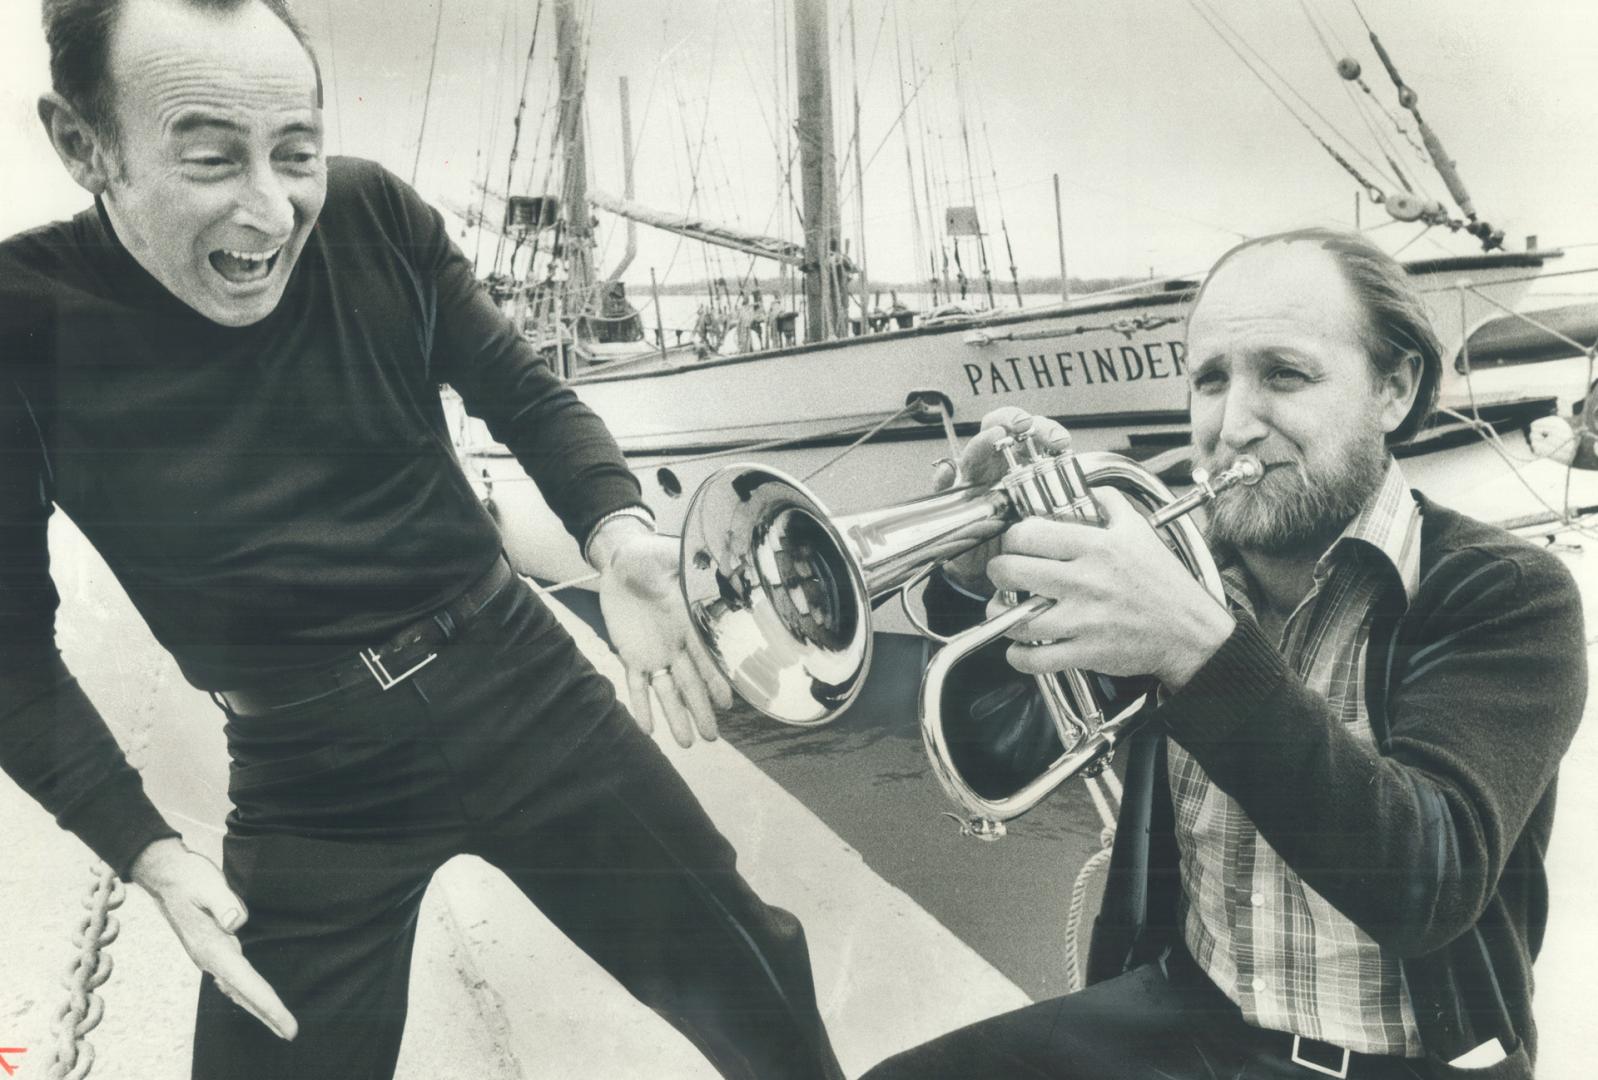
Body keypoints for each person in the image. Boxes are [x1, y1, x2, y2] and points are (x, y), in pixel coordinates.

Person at [0, 2, 843, 1078]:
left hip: (524, 684)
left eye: (295, 151)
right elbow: (9, 650)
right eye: (211, 159)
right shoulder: (20, 326)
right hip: (310, 777)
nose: (271, 210)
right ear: (83, 146)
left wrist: (617, 535)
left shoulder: (372, 219)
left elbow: (531, 402)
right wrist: (146, 849)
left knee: (754, 981)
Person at [863, 228, 1586, 1079]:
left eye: (1284, 374)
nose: (1234, 425)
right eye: (1211, 379)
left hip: (1405, 1062)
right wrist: (975, 584)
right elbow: (994, 755)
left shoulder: (1505, 591)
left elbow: (1425, 883)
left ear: (1393, 389)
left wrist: (1198, 648)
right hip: (1188, 1016)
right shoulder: (1176, 570)